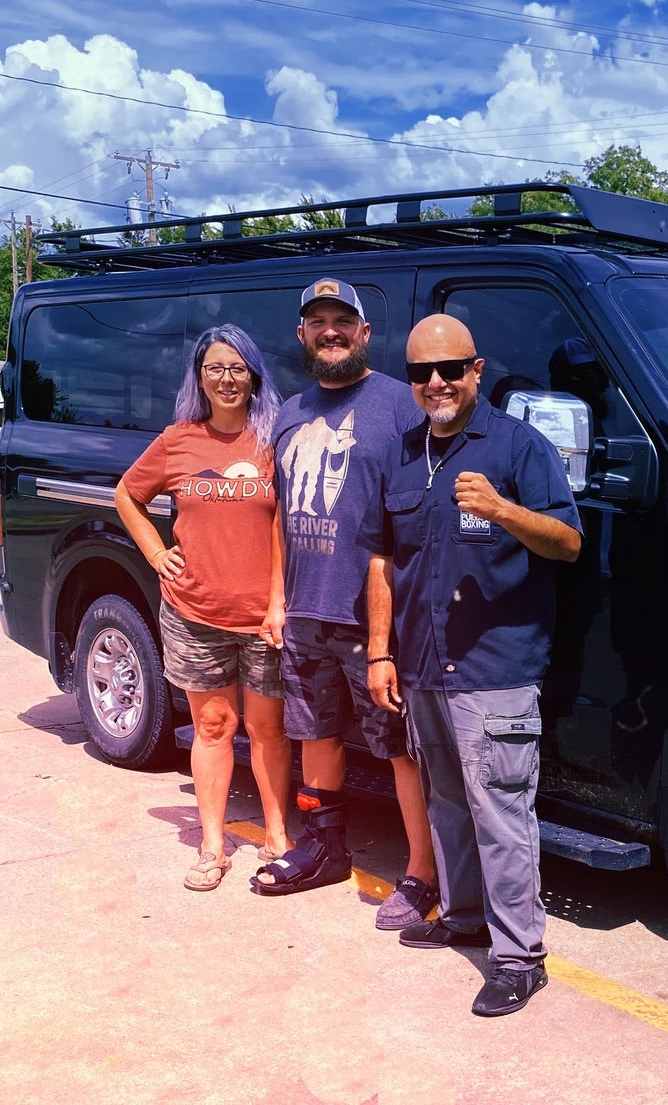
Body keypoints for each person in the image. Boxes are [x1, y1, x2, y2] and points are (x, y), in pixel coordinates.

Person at [362, 313, 581, 1017]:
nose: (436, 383)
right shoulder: (402, 454)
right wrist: (381, 650)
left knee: (501, 815)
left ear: (476, 371)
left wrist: (504, 510)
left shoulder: (520, 448)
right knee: (448, 804)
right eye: (422, 372)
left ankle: (519, 958)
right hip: (424, 663)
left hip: (495, 666)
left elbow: (569, 543)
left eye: (450, 369)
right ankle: (462, 916)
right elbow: (384, 560)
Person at [252, 279, 438, 931]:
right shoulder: (291, 414)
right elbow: (279, 514)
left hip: (376, 621)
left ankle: (423, 872)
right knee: (316, 735)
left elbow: (424, 513)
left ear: (364, 333)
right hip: (306, 614)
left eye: (342, 321)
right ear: (303, 336)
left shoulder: (399, 407)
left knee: (399, 747)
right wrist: (278, 598)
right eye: (317, 322)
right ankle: (324, 848)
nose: (330, 331)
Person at [114, 324, 290, 891]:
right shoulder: (179, 440)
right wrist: (157, 552)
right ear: (199, 376)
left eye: (238, 368)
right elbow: (128, 494)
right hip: (194, 611)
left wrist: (279, 601)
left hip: (264, 616)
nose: (227, 379)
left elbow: (289, 525)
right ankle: (213, 845)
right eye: (215, 368)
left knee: (268, 730)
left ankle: (278, 835)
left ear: (254, 375)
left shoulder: (274, 440)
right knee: (214, 725)